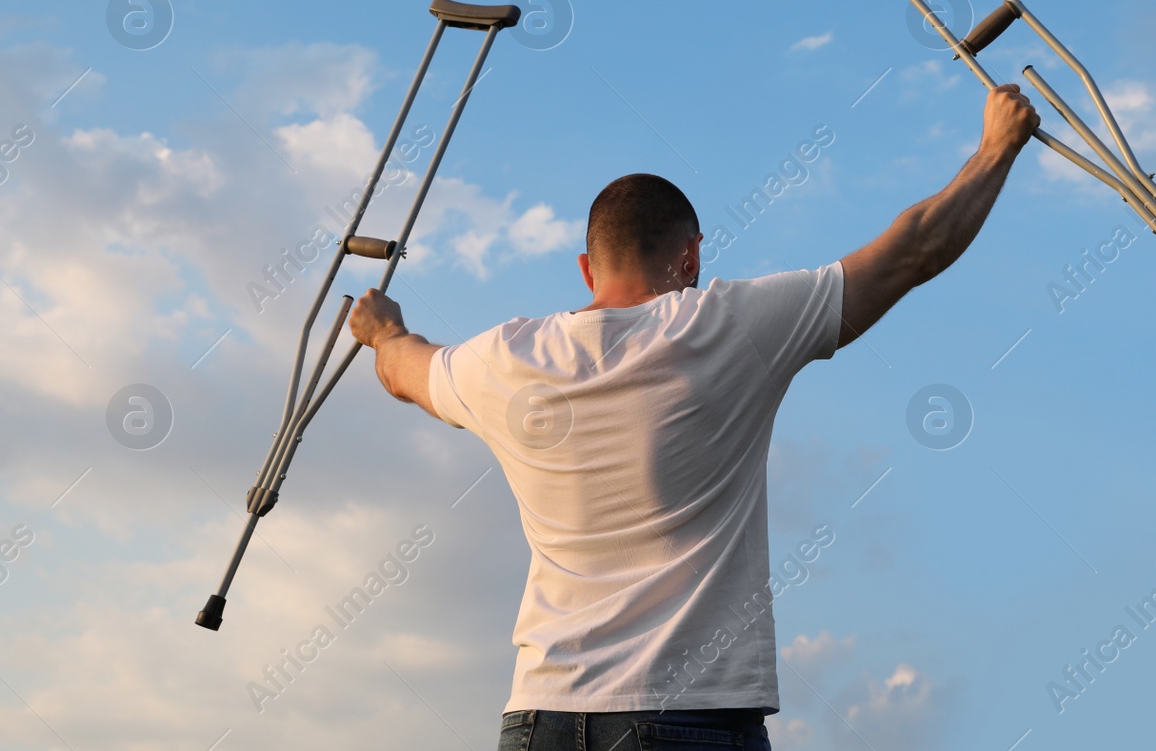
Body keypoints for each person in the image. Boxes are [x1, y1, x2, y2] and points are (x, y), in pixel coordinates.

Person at [347, 83, 1039, 750]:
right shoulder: (727, 324)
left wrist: (382, 328)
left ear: (588, 268)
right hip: (689, 718)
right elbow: (913, 251)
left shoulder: (504, 357)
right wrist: (996, 147)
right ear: (693, 255)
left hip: (540, 719)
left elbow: (404, 371)